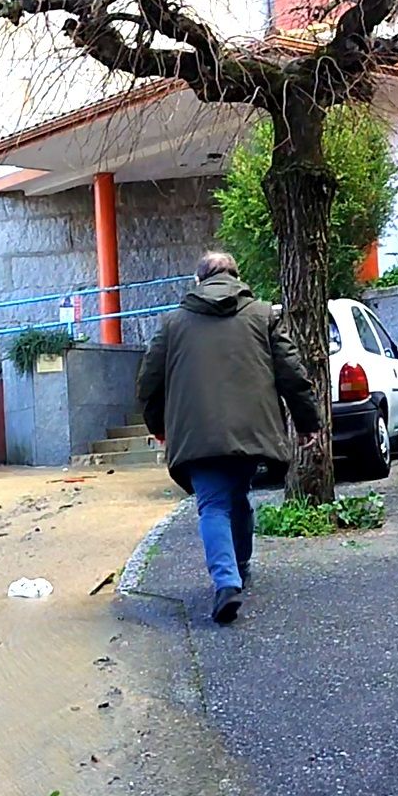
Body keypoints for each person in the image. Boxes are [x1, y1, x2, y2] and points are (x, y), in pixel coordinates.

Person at [137, 252, 322, 625]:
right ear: (237, 276)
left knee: (213, 504)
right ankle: (238, 566)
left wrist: (158, 426)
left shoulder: (173, 324)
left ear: (198, 280)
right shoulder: (263, 315)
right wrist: (308, 423)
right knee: (237, 495)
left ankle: (227, 581)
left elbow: (148, 383)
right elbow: (291, 373)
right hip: (251, 429)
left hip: (195, 432)